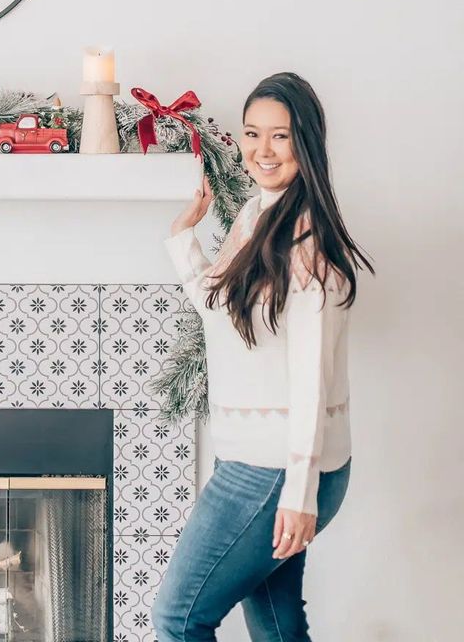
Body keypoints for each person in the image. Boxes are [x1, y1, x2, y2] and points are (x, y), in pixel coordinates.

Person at [151, 72, 375, 642]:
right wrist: (184, 236)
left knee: (178, 619)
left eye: (280, 136)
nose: (262, 151)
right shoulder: (257, 214)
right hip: (258, 464)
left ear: (307, 142)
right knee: (275, 620)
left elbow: (310, 381)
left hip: (278, 470)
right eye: (252, 134)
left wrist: (299, 497)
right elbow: (218, 310)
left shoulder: (310, 245)